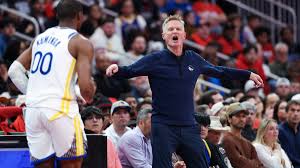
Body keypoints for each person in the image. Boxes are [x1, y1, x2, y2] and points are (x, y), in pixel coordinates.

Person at [106, 15, 264, 168]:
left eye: (178, 29)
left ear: (184, 34)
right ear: (164, 35)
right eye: (170, 29)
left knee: (201, 164)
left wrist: (247, 74)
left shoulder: (193, 59)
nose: (174, 31)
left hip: (188, 125)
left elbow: (219, 71)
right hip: (163, 126)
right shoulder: (155, 60)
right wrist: (116, 69)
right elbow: (130, 70)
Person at [8, 0, 95, 167]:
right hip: (60, 110)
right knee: (72, 164)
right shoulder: (81, 42)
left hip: (33, 111)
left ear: (56, 15)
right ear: (80, 16)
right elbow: (86, 90)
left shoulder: (40, 38)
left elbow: (14, 70)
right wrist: (88, 95)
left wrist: (34, 93)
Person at [222, 102, 263, 168]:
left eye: (243, 116)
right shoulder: (226, 139)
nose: (241, 119)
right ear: (229, 119)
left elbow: (260, 165)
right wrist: (255, 164)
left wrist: (255, 164)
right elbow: (240, 164)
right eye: (237, 116)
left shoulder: (248, 143)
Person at [278, 100, 300, 167]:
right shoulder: (279, 131)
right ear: (286, 112)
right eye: (292, 110)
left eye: (298, 111)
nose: (296, 113)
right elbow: (286, 156)